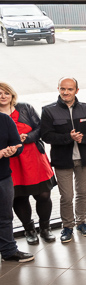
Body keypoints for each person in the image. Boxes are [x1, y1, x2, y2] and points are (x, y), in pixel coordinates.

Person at [40, 77, 86, 243]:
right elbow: (46, 136)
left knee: (82, 193)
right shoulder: (48, 110)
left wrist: (84, 139)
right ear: (58, 89)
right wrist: (69, 137)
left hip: (83, 158)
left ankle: (81, 222)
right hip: (62, 160)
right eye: (62, 89)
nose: (66, 92)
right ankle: (67, 226)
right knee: (66, 196)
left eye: (70, 89)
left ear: (77, 91)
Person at [1, 82, 55, 245]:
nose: (3, 96)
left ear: (12, 95)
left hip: (34, 158)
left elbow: (40, 128)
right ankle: (29, 229)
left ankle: (45, 228)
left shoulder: (25, 108)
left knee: (44, 194)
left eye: (6, 93)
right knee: (19, 197)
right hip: (11, 161)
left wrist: (27, 137)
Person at [0, 111, 32, 262]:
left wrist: (13, 150)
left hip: (3, 177)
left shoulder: (4, 119)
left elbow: (17, 145)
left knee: (5, 216)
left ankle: (9, 251)